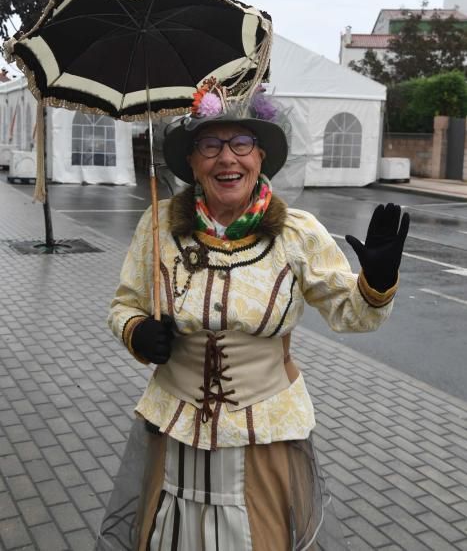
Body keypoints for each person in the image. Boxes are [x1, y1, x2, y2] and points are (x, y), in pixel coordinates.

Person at [95, 79, 409, 551]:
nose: (227, 158)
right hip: (175, 431)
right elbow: (124, 304)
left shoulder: (297, 234)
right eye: (210, 144)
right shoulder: (158, 226)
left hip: (263, 435)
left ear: (261, 157)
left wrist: (376, 284)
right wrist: (136, 332)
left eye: (242, 142)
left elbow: (353, 315)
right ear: (192, 162)